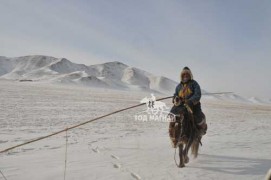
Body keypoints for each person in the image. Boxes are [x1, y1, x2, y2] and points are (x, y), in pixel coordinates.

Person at [170, 67, 207, 139]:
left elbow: (197, 94)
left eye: (187, 74)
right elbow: (175, 94)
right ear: (181, 75)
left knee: (198, 118)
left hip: (193, 104)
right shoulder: (178, 86)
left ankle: (199, 132)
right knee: (172, 116)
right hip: (181, 105)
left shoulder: (194, 84)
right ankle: (173, 134)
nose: (185, 75)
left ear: (190, 75)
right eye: (184, 74)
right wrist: (175, 98)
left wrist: (191, 101)